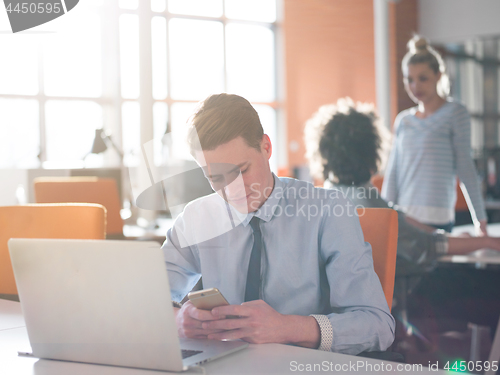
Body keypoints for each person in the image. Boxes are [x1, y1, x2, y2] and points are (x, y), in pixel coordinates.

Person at [162, 93, 395, 355]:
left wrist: (287, 327)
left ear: (266, 147)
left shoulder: (327, 211)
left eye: (241, 171)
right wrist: (177, 319)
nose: (233, 190)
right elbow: (142, 296)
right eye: (216, 178)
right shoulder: (197, 218)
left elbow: (377, 325)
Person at [304, 97, 500, 338]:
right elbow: (427, 247)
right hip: (400, 301)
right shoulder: (367, 201)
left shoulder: (330, 193)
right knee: (491, 287)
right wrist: (487, 242)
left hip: (348, 308)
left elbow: (400, 219)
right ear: (371, 150)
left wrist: (446, 234)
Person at [381, 35, 487, 235]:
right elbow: (393, 174)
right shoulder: (403, 120)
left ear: (438, 75)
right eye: (409, 80)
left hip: (438, 218)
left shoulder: (456, 113)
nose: (415, 86)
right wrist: (384, 219)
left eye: (423, 78)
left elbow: (466, 168)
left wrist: (480, 222)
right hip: (404, 217)